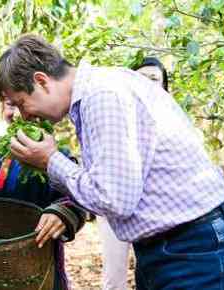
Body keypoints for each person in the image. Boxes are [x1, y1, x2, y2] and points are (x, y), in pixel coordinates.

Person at [0, 34, 224, 290]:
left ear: (41, 81)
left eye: (21, 103)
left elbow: (114, 199)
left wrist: (50, 161)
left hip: (192, 249)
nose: (24, 114)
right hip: (172, 247)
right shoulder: (101, 88)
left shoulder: (102, 96)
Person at [0, 98, 86, 290]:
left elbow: (78, 199)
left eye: (25, 105)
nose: (18, 114)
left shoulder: (59, 158)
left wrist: (61, 213)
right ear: (1, 108)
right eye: (10, 105)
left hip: (37, 261)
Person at [96, 56, 170, 290]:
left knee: (154, 270)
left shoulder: (172, 121)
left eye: (153, 78)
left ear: (165, 86)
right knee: (113, 275)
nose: (146, 82)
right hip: (114, 204)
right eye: (140, 77)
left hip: (155, 208)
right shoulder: (115, 113)